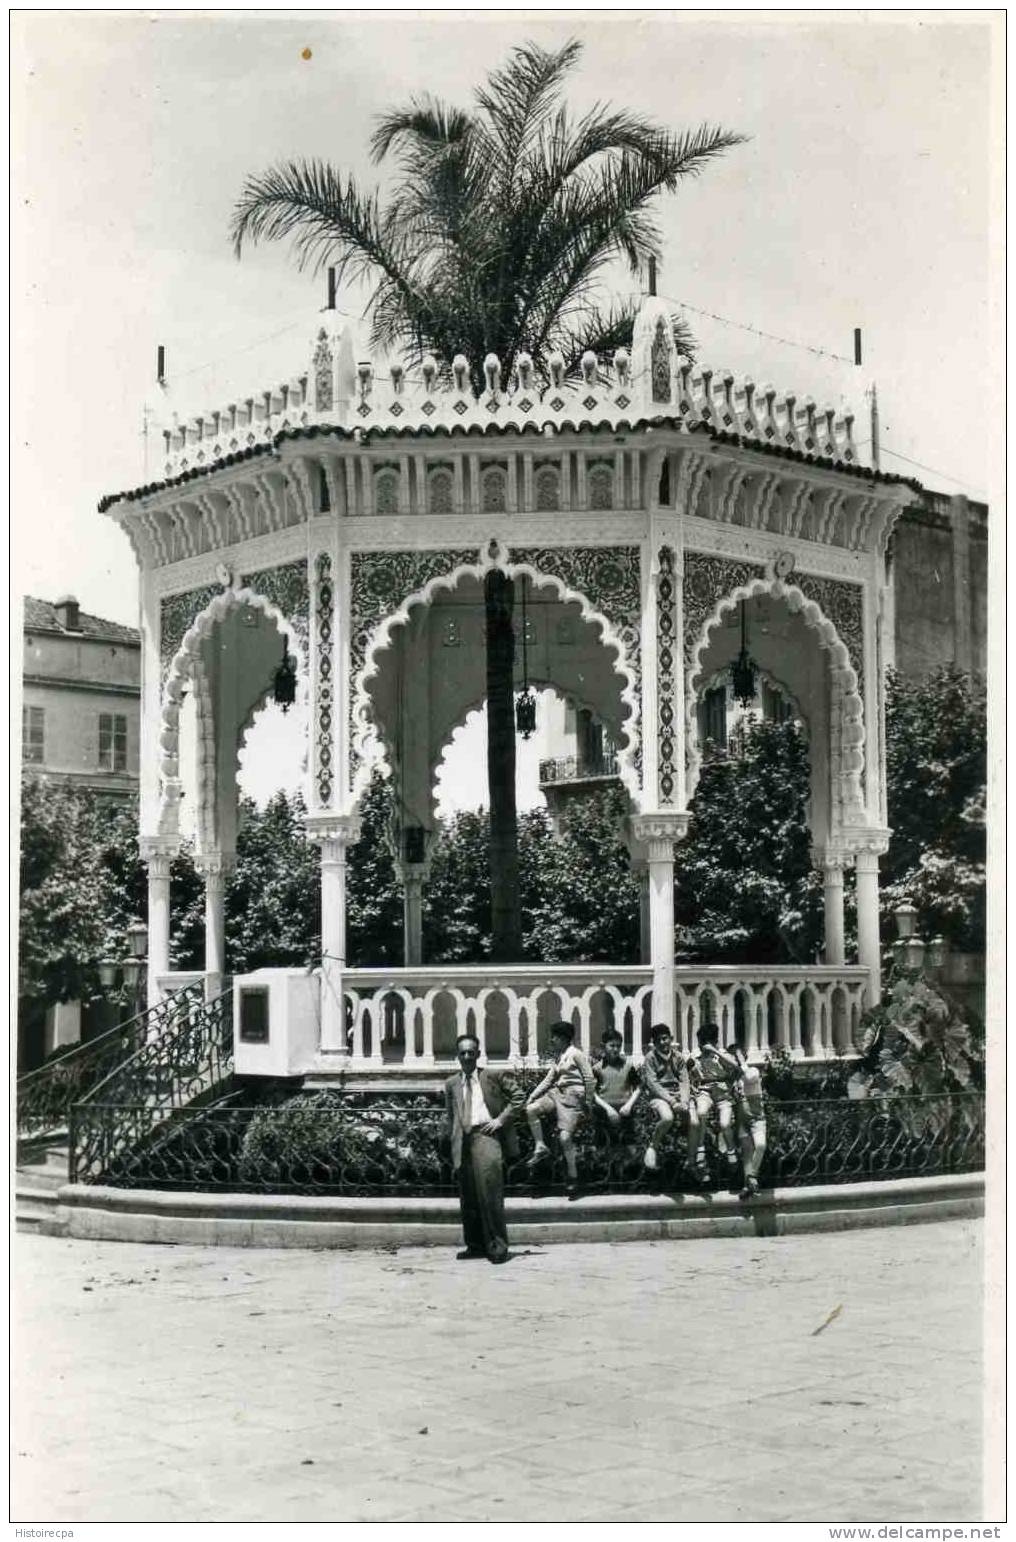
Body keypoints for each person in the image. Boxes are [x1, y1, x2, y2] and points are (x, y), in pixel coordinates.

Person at [444, 1033, 524, 1264]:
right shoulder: (451, 1083)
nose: (467, 1057)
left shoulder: (492, 1076)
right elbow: (450, 1118)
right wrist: (448, 1147)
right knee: (468, 1197)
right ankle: (475, 1246)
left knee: (490, 1193)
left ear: (478, 1054)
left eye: (471, 1052)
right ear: (457, 1056)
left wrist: (500, 1121)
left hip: (486, 1137)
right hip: (463, 1141)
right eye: (463, 1053)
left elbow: (519, 1096)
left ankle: (498, 1246)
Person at [525, 1020, 596, 1198]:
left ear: (564, 1038)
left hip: (573, 1097)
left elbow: (589, 1078)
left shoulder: (576, 1054)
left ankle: (573, 1177)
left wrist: (587, 1101)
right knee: (531, 1109)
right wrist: (532, 1096)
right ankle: (540, 1146)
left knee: (565, 1138)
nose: (552, 1040)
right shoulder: (560, 1056)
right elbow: (549, 1079)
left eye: (554, 1037)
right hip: (557, 1093)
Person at [640, 1022, 705, 1182]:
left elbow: (684, 1080)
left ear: (671, 1039)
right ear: (654, 1043)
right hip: (660, 1097)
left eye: (665, 1038)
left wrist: (683, 1101)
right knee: (667, 1118)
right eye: (659, 1040)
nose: (663, 1043)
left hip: (679, 1096)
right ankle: (652, 1147)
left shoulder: (678, 1057)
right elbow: (653, 1084)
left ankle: (690, 1163)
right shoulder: (650, 1058)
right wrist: (671, 1101)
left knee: (695, 1123)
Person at [688, 1023, 740, 1185]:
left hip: (723, 1094)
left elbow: (736, 1067)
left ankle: (731, 1149)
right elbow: (689, 1075)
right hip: (706, 1091)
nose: (701, 1046)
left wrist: (715, 1051)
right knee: (701, 1112)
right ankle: (701, 1146)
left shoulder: (722, 1055)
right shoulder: (697, 1058)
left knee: (725, 1124)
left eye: (703, 1042)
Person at [726, 1040, 767, 1201]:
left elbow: (749, 1077)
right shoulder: (733, 1079)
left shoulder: (753, 1071)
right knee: (747, 1155)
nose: (735, 1060)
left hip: (757, 1119)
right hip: (742, 1120)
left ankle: (752, 1177)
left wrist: (741, 1061)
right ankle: (747, 1185)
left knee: (761, 1145)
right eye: (733, 1057)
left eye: (737, 1056)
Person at [592, 1028, 641, 1131]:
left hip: (625, 1113)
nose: (615, 1049)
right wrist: (608, 1109)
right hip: (604, 1113)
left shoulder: (628, 1066)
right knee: (603, 1145)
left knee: (628, 1145)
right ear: (603, 1046)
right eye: (612, 1046)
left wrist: (629, 1105)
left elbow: (638, 1088)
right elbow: (593, 1093)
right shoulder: (597, 1068)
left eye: (618, 1046)